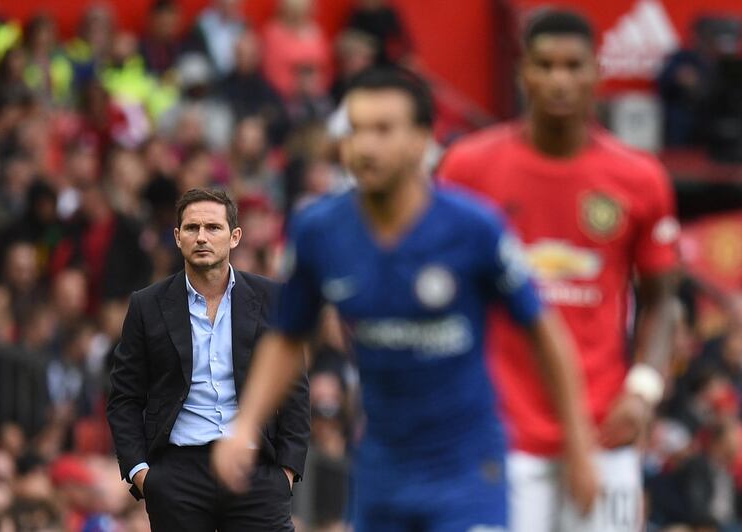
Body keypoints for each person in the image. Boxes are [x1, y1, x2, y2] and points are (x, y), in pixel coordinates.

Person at [212, 67, 597, 531]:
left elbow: (544, 332)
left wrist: (578, 441)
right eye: (355, 130)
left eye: (383, 130)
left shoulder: (475, 229)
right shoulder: (320, 231)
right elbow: (289, 336)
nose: (366, 146)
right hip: (381, 472)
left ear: (420, 139)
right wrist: (246, 424)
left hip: (469, 472)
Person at [438, 10, 680, 532]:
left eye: (573, 66)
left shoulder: (640, 178)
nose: (559, 80)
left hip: (604, 434)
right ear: (524, 72)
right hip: (496, 432)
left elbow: (661, 299)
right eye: (544, 65)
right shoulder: (467, 167)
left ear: (596, 72)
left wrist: (643, 389)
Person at [106, 188, 310, 531]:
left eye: (213, 228)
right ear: (177, 236)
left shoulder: (272, 298)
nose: (201, 237)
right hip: (177, 474)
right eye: (191, 228)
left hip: (255, 468)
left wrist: (285, 473)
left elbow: (293, 389)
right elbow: (124, 397)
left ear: (235, 237)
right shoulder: (147, 304)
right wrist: (142, 474)